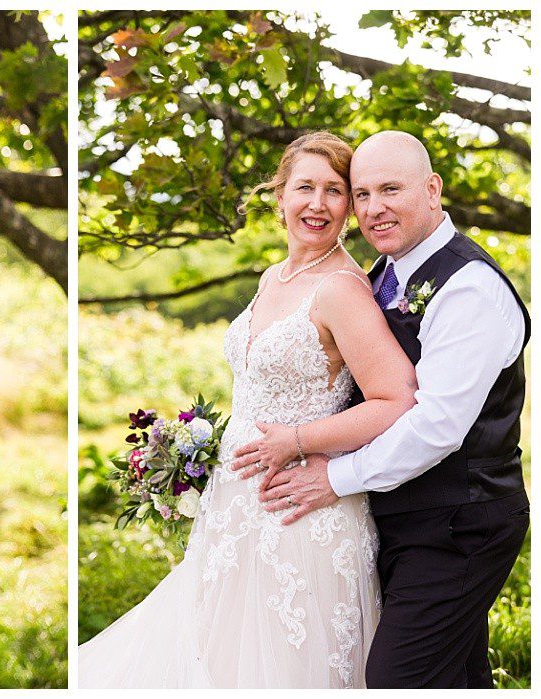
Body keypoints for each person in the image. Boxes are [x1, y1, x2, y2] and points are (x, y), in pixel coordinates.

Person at [78, 131, 417, 687]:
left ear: (350, 209)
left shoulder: (342, 289)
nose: (317, 203)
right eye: (304, 187)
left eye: (335, 191)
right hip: (234, 509)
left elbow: (397, 399)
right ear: (279, 195)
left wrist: (298, 440)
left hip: (300, 514)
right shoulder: (273, 277)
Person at [251, 130, 529, 688]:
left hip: (460, 524)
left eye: (391, 190)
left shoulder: (469, 287)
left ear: (432, 190)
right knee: (456, 680)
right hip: (395, 517)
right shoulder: (378, 277)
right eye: (362, 194)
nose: (374, 209)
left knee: (396, 680)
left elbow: (437, 425)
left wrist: (337, 477)